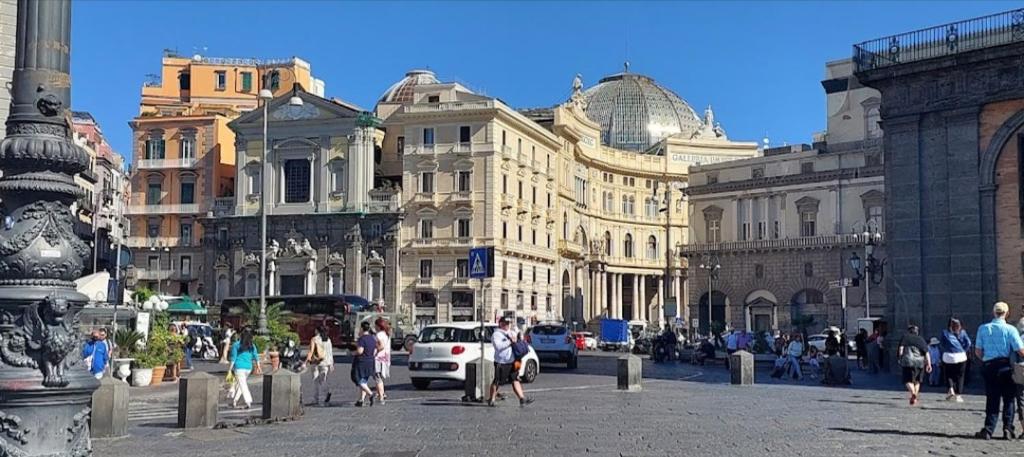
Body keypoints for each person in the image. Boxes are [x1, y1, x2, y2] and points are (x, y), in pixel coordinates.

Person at [974, 302, 1024, 440]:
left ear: (993, 312)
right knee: (1009, 399)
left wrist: (986, 359)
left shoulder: (983, 328)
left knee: (992, 399)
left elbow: (978, 351)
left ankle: (988, 429)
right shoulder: (1011, 329)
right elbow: (1020, 350)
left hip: (990, 366)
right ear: (1007, 313)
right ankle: (1008, 429)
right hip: (1006, 366)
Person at [487, 317, 533, 407]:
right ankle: (492, 399)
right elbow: (498, 347)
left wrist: (519, 335)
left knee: (515, 379)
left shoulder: (511, 332)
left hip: (512, 361)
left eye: (508, 323)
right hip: (501, 362)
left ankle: (522, 399)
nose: (507, 325)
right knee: (497, 381)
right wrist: (510, 342)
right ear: (500, 324)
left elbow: (519, 337)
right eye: (505, 323)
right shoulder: (496, 334)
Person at [940, 317, 972, 403]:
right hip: (960, 355)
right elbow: (968, 343)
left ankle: (951, 389)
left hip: (948, 355)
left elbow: (942, 344)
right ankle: (958, 395)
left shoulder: (945, 332)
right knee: (960, 376)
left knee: (948, 374)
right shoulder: (962, 332)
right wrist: (963, 350)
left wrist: (946, 350)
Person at [898, 325, 931, 406]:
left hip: (908, 361)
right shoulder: (921, 339)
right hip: (920, 362)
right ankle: (915, 397)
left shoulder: (905, 337)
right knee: (917, 381)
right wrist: (929, 364)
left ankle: (913, 393)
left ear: (909, 331)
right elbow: (926, 353)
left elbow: (901, 349)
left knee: (907, 380)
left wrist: (900, 357)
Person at [227, 329, 261, 409]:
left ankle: (248, 401)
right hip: (248, 368)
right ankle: (235, 401)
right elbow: (256, 356)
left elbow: (233, 358)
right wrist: (258, 366)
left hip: (239, 367)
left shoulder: (236, 345)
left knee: (242, 385)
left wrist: (229, 369)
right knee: (241, 384)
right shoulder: (252, 346)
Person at [305, 325, 334, 406]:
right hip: (326, 362)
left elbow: (311, 351)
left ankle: (315, 399)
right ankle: (327, 391)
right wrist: (331, 363)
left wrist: (306, 361)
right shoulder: (328, 339)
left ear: (317, 331)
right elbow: (330, 352)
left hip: (316, 362)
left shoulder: (314, 339)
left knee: (315, 381)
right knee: (323, 380)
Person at [352, 321, 377, 407]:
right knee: (364, 380)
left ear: (362, 328)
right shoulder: (372, 338)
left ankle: (371, 394)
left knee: (357, 378)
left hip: (362, 361)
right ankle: (361, 400)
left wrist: (352, 353)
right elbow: (375, 351)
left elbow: (360, 351)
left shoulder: (362, 339)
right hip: (371, 361)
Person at [373, 317, 392, 405]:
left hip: (378, 358)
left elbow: (381, 346)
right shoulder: (386, 334)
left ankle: (381, 396)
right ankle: (380, 393)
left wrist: (376, 350)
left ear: (378, 326)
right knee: (380, 377)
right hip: (385, 357)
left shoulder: (379, 335)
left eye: (375, 325)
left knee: (378, 377)